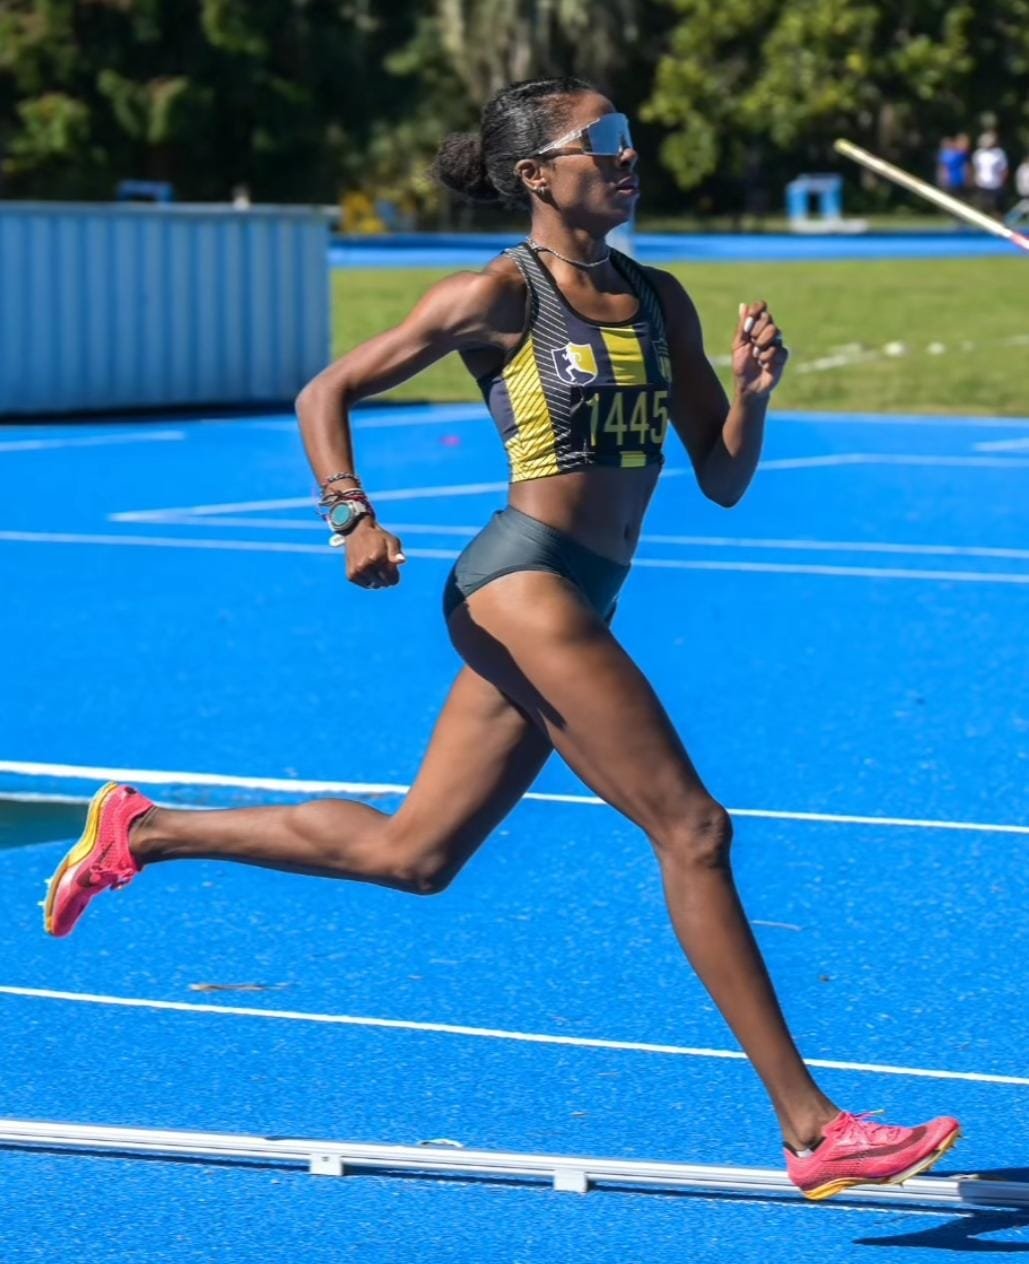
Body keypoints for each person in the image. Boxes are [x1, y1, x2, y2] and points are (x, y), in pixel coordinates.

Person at [40, 77, 960, 1201]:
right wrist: (351, 515)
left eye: (630, 139)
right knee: (694, 827)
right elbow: (324, 391)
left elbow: (720, 477)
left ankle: (147, 828)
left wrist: (754, 397)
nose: (627, 157)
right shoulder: (499, 297)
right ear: (538, 175)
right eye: (603, 143)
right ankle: (812, 1126)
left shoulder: (658, 299)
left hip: (583, 593)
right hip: (519, 585)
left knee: (414, 857)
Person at [972, 131, 1008, 213]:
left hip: (996, 184)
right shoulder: (978, 154)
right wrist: (975, 181)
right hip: (982, 185)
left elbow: (1004, 169)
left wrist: (1002, 182)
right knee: (984, 207)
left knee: (998, 208)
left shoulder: (999, 153)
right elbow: (975, 168)